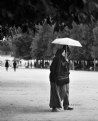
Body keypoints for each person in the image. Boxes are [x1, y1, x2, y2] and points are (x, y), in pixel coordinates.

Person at [49, 45, 73, 112]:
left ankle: (59, 105)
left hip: (62, 78)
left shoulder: (64, 59)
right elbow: (52, 69)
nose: (65, 53)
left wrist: (67, 63)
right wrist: (55, 77)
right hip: (55, 78)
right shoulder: (56, 58)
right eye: (64, 52)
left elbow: (66, 70)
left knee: (63, 91)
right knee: (55, 93)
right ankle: (55, 107)